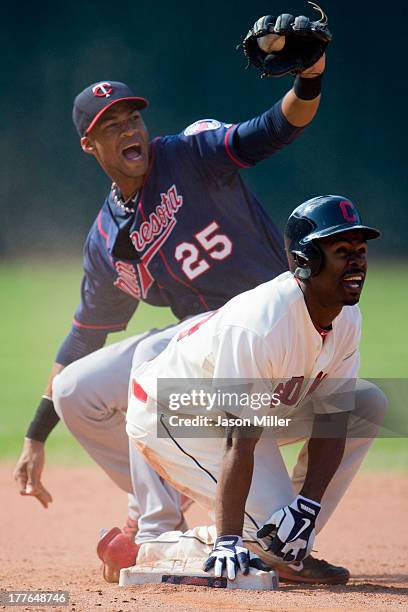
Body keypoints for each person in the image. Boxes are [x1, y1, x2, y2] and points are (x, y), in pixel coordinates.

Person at [14, 12, 330, 579]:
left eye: (133, 116)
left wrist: (309, 78)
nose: (129, 129)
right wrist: (36, 435)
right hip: (204, 348)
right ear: (90, 145)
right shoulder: (109, 236)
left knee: (148, 359)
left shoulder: (191, 155)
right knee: (74, 390)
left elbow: (275, 128)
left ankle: (159, 530)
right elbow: (85, 335)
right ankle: (168, 500)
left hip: (272, 333)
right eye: (112, 127)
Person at [122, 195, 387, 584]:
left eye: (361, 251)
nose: (357, 262)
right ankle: (166, 546)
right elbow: (238, 442)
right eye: (342, 250)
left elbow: (334, 416)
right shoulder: (261, 326)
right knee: (255, 542)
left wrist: (307, 508)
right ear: (305, 261)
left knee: (368, 403)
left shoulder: (347, 317)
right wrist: (229, 538)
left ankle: (291, 545)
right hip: (174, 411)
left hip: (253, 409)